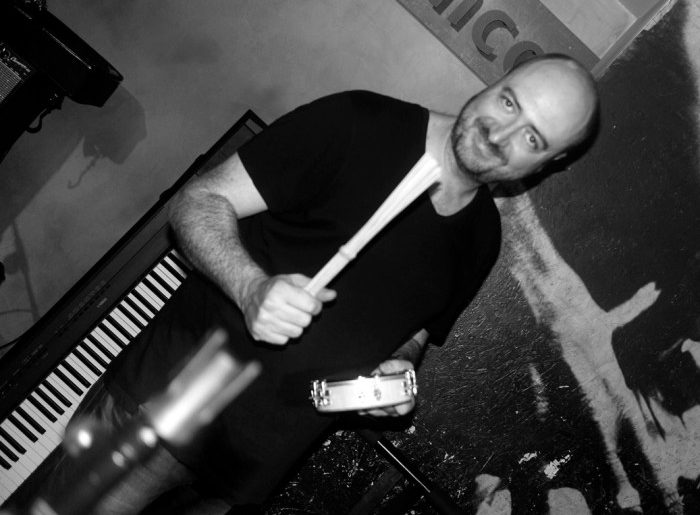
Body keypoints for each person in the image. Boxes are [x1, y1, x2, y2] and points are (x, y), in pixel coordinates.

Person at [4, 54, 597, 514]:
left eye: (533, 138)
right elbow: (197, 202)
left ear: (545, 166)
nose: (501, 132)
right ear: (495, 83)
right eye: (510, 102)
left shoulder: (481, 239)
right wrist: (250, 288)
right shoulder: (359, 123)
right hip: (162, 411)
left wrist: (395, 372)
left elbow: (413, 333)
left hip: (244, 474)